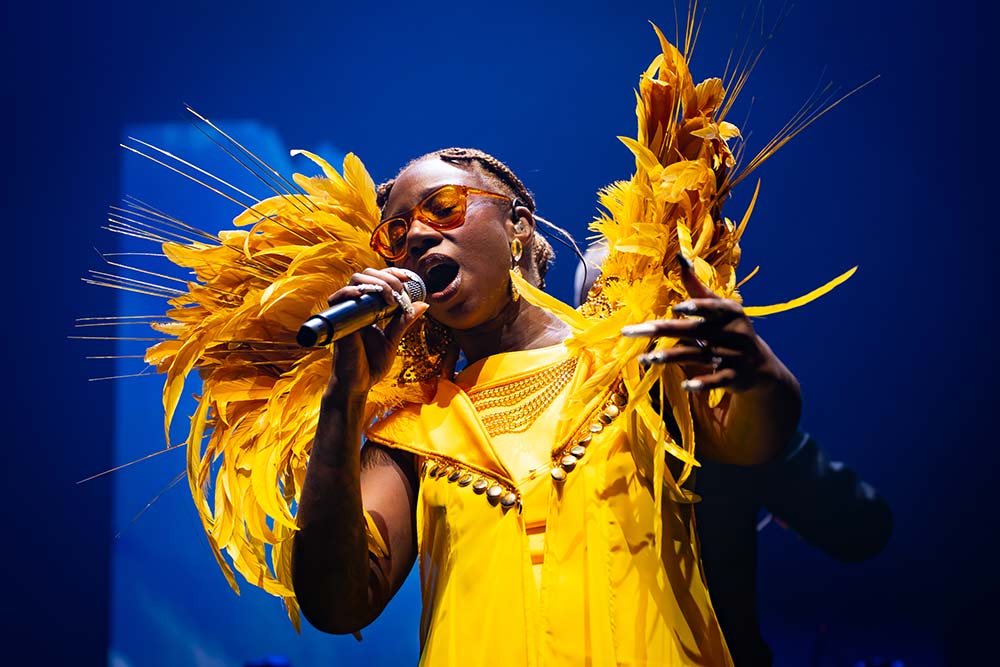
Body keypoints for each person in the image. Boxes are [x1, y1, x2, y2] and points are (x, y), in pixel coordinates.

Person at [290, 147, 804, 666]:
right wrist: (344, 397)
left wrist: (758, 368)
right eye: (395, 236)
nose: (418, 236)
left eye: (443, 207)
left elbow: (756, 437)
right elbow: (336, 605)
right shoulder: (409, 432)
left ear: (518, 225)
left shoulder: (630, 359)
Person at [576, 244, 894, 667]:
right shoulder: (559, 427)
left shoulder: (721, 418)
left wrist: (765, 420)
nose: (630, 322)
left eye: (645, 299)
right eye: (608, 304)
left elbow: (863, 528)